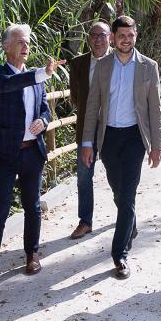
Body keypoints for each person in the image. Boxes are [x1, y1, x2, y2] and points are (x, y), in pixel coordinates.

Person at [0, 24, 64, 295]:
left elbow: (43, 109)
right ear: (6, 46)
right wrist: (42, 74)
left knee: (33, 206)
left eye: (27, 43)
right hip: (6, 153)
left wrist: (43, 120)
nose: (25, 47)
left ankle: (32, 254)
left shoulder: (34, 79)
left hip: (32, 152)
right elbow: (8, 86)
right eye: (19, 42)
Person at [80, 15, 161, 279]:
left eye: (131, 35)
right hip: (109, 139)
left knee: (127, 194)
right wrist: (87, 142)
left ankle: (120, 255)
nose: (126, 40)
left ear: (135, 36)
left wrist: (156, 146)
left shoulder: (148, 67)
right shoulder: (102, 66)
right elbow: (93, 106)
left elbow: (155, 109)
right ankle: (131, 224)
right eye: (121, 36)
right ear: (113, 38)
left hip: (135, 138)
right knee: (118, 192)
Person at [68, 21, 112, 239]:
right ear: (88, 39)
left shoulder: (120, 60)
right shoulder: (78, 64)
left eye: (102, 35)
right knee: (84, 177)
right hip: (87, 131)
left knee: (119, 178)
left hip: (115, 130)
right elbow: (76, 96)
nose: (98, 39)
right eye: (94, 35)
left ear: (110, 38)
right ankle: (85, 221)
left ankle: (126, 219)